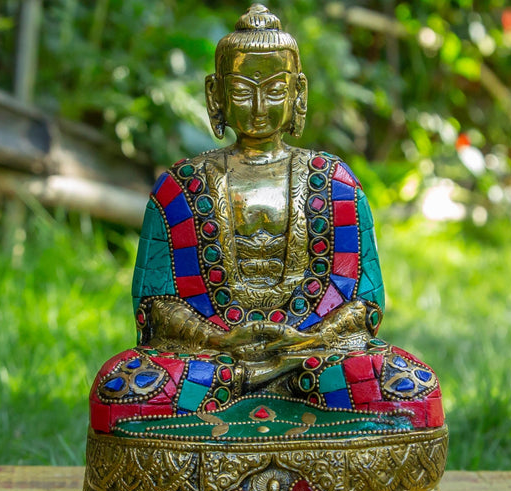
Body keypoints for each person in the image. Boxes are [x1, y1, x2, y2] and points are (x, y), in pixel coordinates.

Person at [89, 4, 443, 435]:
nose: (259, 106)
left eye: (275, 90)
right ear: (215, 95)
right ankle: (244, 386)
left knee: (409, 389)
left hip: (314, 358)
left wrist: (310, 339)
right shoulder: (181, 188)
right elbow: (156, 307)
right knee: (123, 390)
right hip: (210, 360)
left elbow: (364, 307)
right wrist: (218, 340)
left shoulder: (334, 183)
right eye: (241, 91)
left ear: (299, 93)